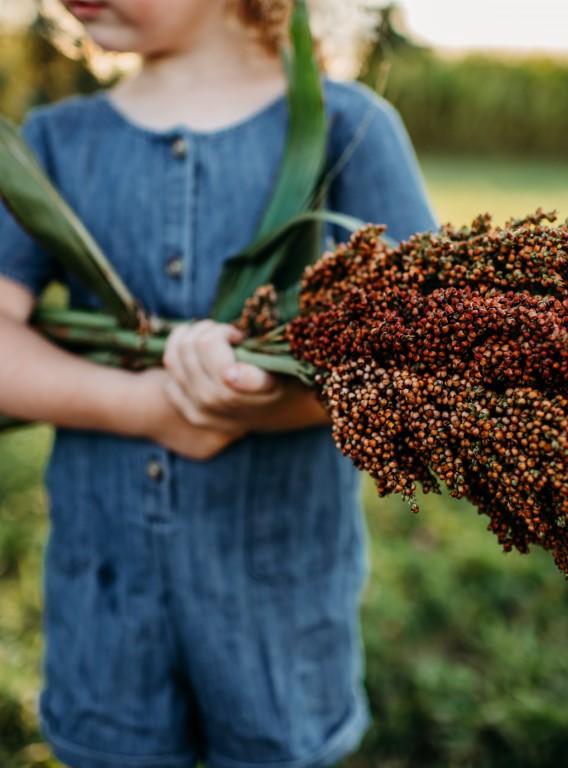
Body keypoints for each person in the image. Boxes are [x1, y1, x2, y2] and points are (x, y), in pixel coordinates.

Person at [0, 0, 438, 766]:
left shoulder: (350, 128)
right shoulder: (52, 141)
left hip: (279, 610)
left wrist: (267, 398)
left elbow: (420, 354)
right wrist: (148, 406)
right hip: (106, 602)